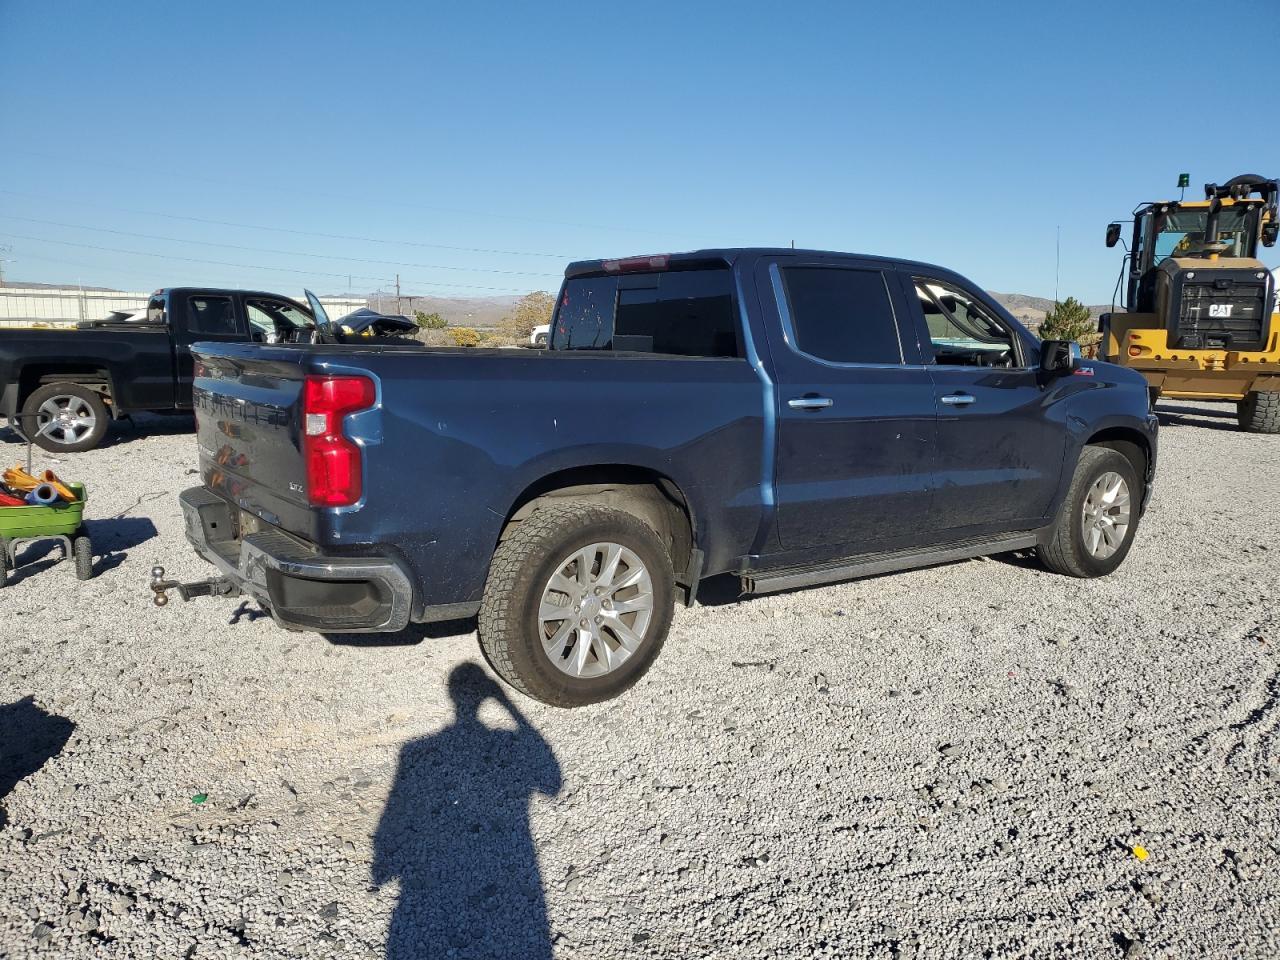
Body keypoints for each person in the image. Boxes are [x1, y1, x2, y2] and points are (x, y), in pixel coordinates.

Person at [372, 663, 562, 959]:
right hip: (513, 872)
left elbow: (394, 814)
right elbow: (551, 783)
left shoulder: (415, 751)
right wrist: (510, 707)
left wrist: (383, 864)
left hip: (424, 887)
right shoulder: (505, 743)